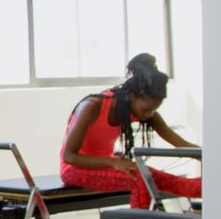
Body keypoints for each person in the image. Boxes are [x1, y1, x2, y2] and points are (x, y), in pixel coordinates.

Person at [60, 53, 200, 209]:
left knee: (172, 182)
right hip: (76, 169)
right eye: (146, 109)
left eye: (154, 110)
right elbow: (69, 156)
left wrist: (208, 158)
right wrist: (114, 162)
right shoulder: (92, 107)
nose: (149, 115)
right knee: (140, 180)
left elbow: (180, 143)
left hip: (110, 164)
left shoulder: (142, 111)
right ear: (132, 96)